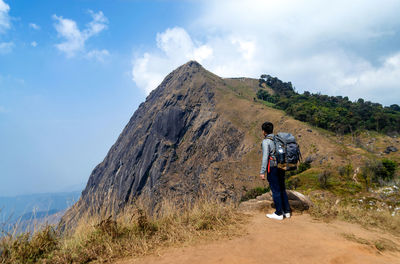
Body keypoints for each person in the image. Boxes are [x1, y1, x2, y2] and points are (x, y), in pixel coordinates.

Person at [259, 121, 291, 220]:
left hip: (273, 168)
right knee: (282, 188)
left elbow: (265, 157)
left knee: (275, 190)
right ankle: (287, 211)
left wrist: (262, 172)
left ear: (264, 131)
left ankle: (278, 213)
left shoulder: (266, 141)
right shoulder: (278, 139)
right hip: (282, 166)